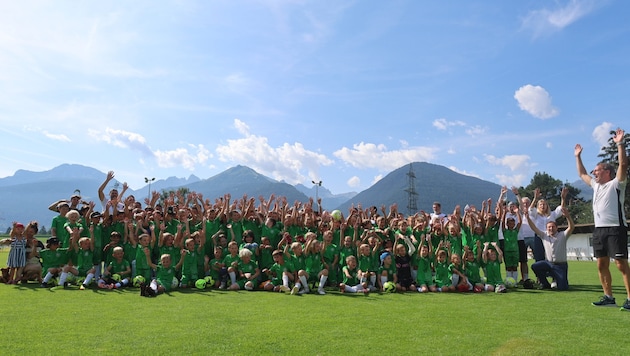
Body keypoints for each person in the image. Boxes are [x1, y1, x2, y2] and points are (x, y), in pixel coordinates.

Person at [575, 128, 630, 309]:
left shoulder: (617, 184)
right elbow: (582, 174)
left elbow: (623, 165)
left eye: (597, 170)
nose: (594, 173)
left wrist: (620, 144)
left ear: (607, 172)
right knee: (601, 264)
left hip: (615, 228)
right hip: (599, 230)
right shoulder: (596, 187)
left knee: (621, 264)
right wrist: (578, 157)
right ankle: (609, 297)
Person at [526, 207, 574, 290]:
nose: (551, 229)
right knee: (535, 266)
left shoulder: (563, 235)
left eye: (552, 227)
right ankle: (545, 284)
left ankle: (557, 279)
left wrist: (568, 216)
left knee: (563, 288)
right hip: (548, 264)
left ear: (556, 227)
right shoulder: (544, 235)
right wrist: (527, 218)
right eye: (549, 227)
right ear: (546, 228)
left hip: (560, 265)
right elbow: (534, 228)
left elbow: (571, 227)